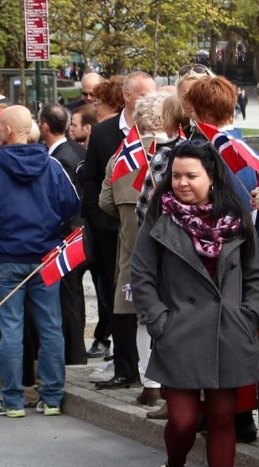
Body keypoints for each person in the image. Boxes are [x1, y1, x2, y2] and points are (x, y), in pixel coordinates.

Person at [130, 140, 259, 467]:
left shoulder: (236, 218)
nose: (182, 183)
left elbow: (257, 273)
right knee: (184, 420)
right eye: (176, 176)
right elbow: (141, 277)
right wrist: (161, 322)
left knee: (223, 417)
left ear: (212, 178)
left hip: (230, 331)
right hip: (179, 332)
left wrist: (251, 315)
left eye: (191, 176)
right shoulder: (160, 219)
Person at [0, 106, 80, 417]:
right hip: (45, 256)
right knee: (50, 326)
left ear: (6, 130)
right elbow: (71, 204)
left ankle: (13, 399)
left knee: (11, 329)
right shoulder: (52, 165)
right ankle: (52, 397)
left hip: (6, 257)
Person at [98, 89, 172, 400]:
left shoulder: (121, 157)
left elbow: (104, 201)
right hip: (170, 249)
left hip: (132, 246)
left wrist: (127, 215)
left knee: (138, 312)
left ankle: (148, 381)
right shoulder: (177, 154)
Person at [80, 72, 156, 362]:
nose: (150, 102)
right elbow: (92, 182)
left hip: (146, 233)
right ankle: (125, 363)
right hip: (112, 234)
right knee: (118, 298)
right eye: (144, 96)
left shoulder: (161, 134)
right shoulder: (104, 133)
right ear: (127, 96)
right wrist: (105, 225)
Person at [39, 103, 87, 366]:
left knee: (69, 297)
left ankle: (74, 354)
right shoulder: (73, 150)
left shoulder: (60, 158)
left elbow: (68, 201)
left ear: (45, 126)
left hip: (68, 237)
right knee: (72, 296)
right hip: (74, 236)